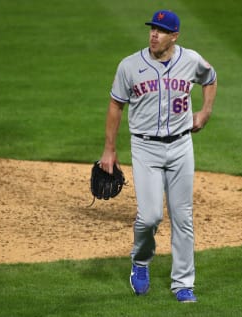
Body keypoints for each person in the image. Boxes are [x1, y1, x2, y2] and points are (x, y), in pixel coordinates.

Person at [98, 9, 217, 303]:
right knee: (150, 217)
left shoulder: (190, 60)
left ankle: (183, 283)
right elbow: (115, 106)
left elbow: (210, 77)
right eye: (152, 29)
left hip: (180, 147)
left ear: (174, 36)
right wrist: (109, 149)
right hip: (145, 148)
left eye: (161, 31)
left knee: (183, 217)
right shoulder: (129, 66)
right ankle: (140, 261)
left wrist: (205, 111)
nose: (154, 34)